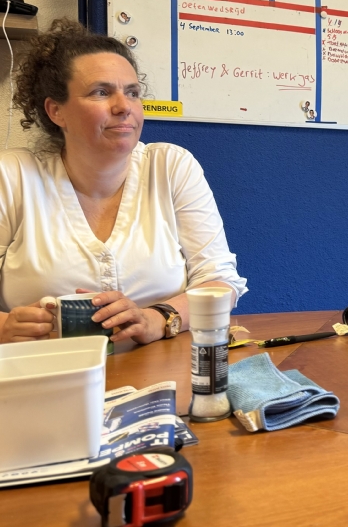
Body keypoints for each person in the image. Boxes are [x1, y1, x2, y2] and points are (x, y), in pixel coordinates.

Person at [0, 18, 247, 345]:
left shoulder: (170, 167)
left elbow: (220, 282)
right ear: (56, 111)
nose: (123, 107)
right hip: (43, 370)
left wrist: (157, 318)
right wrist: (5, 326)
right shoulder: (11, 176)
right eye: (101, 92)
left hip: (161, 369)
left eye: (132, 93)